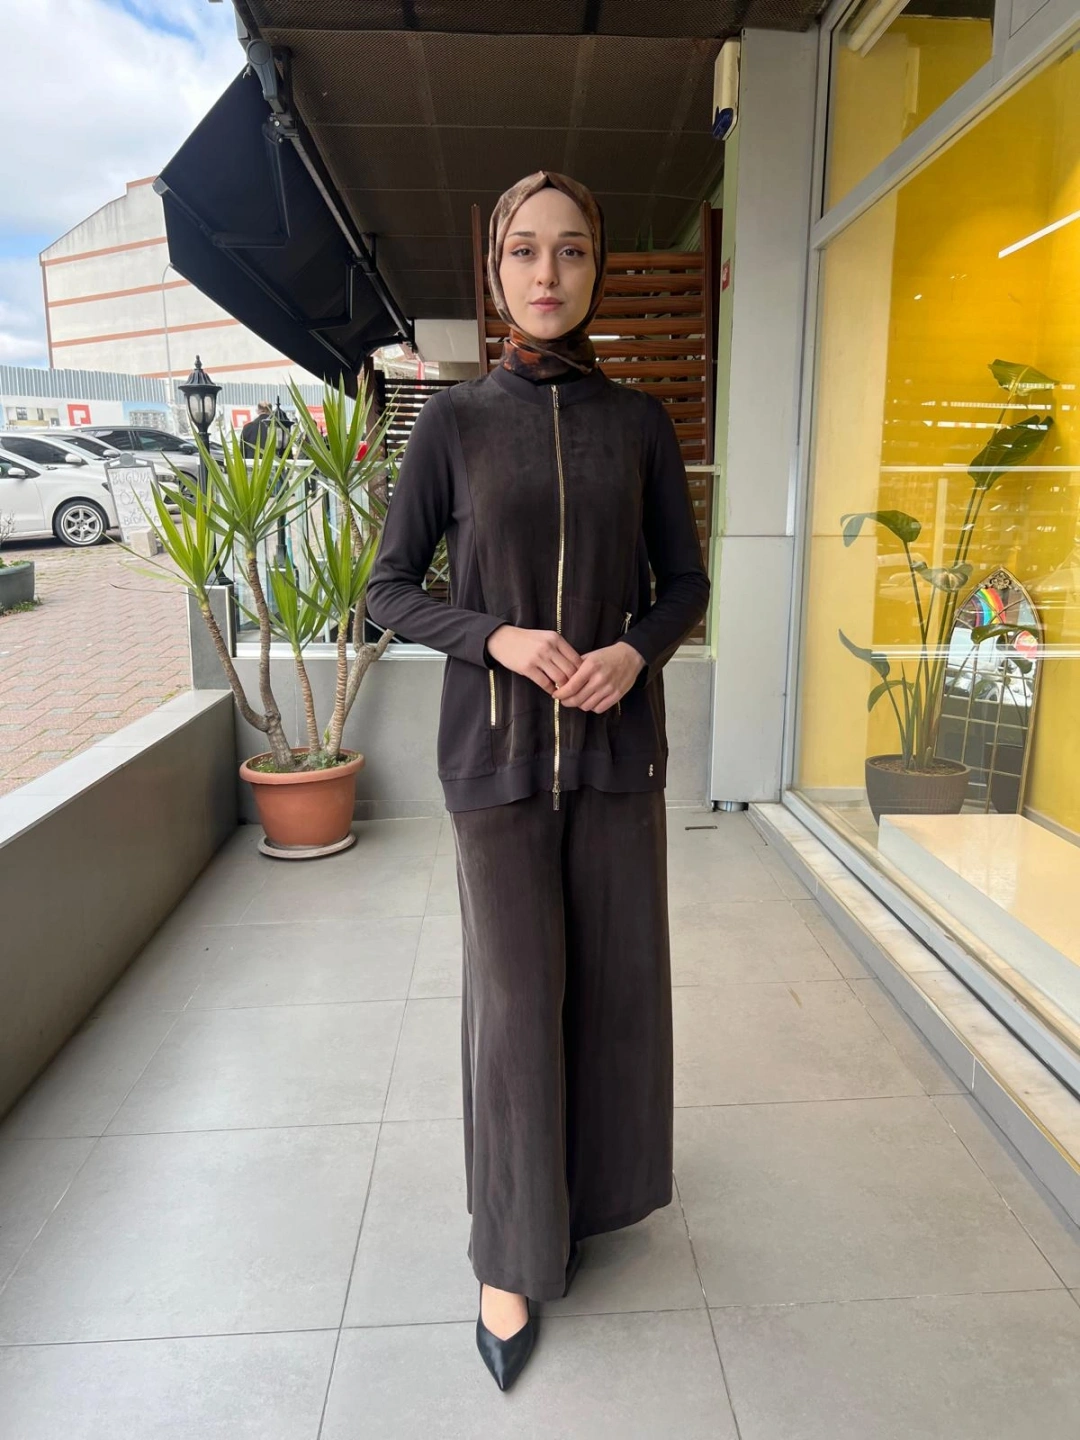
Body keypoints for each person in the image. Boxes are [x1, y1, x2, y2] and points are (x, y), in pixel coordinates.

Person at [365, 170, 710, 1392]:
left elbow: (684, 583)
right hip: (498, 762)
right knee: (515, 1007)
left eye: (570, 250)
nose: (548, 272)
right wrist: (495, 637)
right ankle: (508, 1254)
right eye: (525, 250)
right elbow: (388, 588)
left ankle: (593, 1199)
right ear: (496, 270)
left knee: (614, 990)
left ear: (597, 268)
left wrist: (635, 650)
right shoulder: (453, 424)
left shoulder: (641, 424)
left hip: (615, 757)